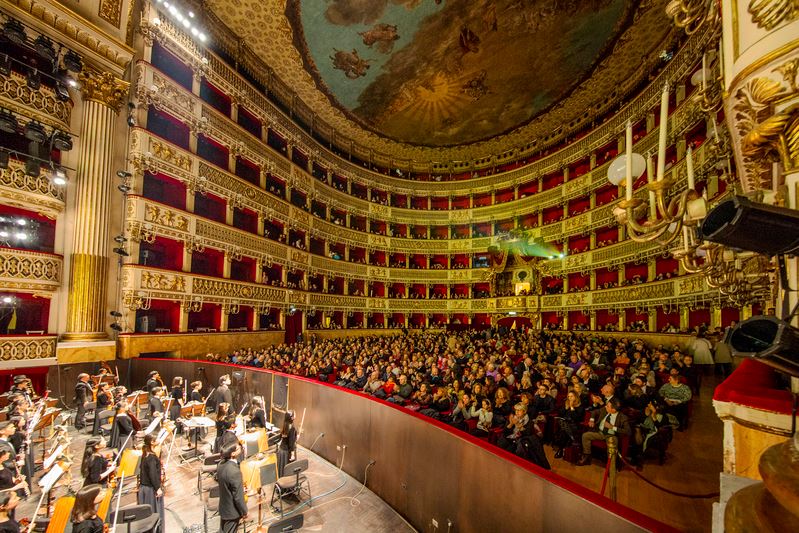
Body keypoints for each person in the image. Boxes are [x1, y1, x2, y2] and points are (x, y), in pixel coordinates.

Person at [577, 398, 631, 466]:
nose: (605, 407)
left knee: (612, 445)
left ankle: (611, 465)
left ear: (613, 410)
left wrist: (612, 427)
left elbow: (628, 431)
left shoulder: (623, 417)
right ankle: (587, 457)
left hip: (611, 436)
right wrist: (591, 419)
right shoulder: (604, 409)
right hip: (600, 432)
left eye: (608, 406)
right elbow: (594, 412)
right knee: (585, 436)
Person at [217, 441, 247, 533]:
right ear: (233, 454)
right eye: (238, 448)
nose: (241, 447)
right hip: (232, 511)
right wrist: (244, 511)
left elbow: (227, 484)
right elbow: (238, 497)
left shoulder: (221, 464)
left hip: (224, 507)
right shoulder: (234, 471)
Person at [137, 434, 164, 532]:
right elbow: (152, 474)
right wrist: (158, 488)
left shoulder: (145, 453)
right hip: (150, 489)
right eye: (157, 439)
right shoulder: (151, 457)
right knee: (154, 513)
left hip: (143, 488)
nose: (159, 440)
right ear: (152, 442)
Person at [277, 411, 297, 477]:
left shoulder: (285, 424)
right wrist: (292, 454)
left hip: (281, 451)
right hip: (286, 452)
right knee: (287, 469)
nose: (295, 415)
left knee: (281, 469)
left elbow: (282, 436)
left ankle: (281, 480)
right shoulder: (292, 428)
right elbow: (291, 443)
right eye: (294, 414)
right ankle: (286, 482)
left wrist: (295, 437)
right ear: (292, 417)